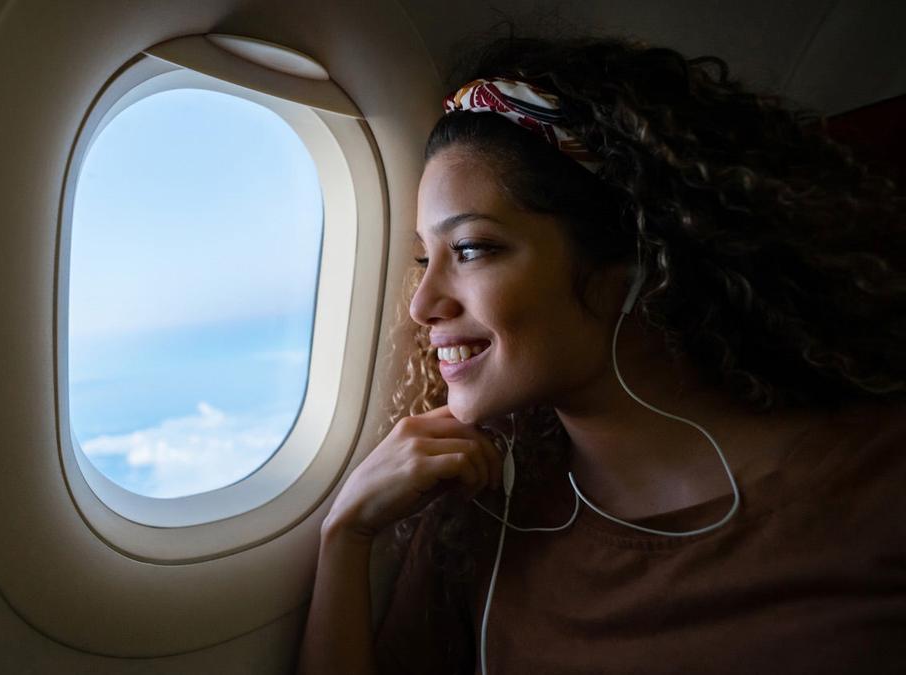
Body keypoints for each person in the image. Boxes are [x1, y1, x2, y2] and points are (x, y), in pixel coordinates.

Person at [297, 35, 905, 674]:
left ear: (636, 259)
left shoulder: (877, 485)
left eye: (472, 249)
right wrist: (346, 537)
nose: (422, 304)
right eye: (426, 259)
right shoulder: (484, 513)